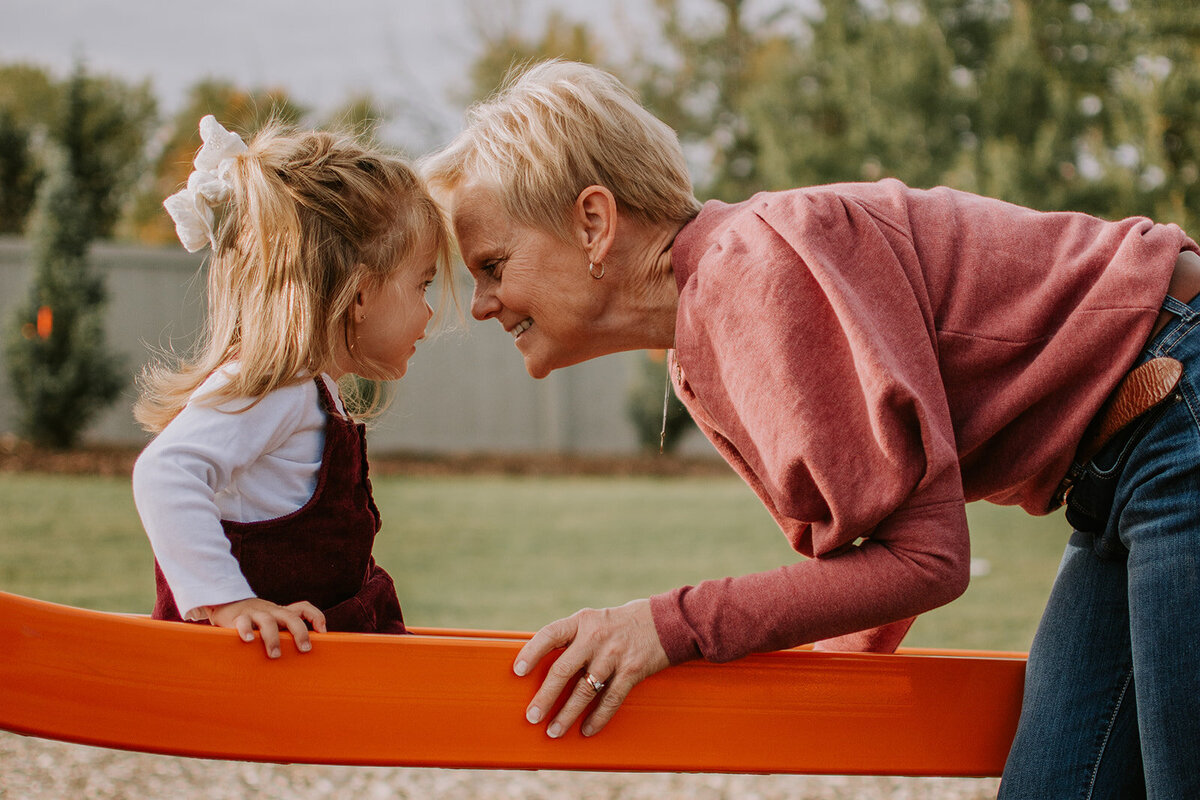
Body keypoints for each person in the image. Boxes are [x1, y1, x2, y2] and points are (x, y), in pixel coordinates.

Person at [419, 60, 1200, 796]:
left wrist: (665, 625)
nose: (484, 303)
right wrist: (824, 702)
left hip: (1175, 403)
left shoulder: (753, 271)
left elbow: (927, 561)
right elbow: (884, 549)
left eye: (492, 265)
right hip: (1123, 462)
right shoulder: (704, 337)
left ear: (593, 222)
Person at [133, 115, 451, 659]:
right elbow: (165, 472)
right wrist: (229, 603)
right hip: (266, 673)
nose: (430, 311)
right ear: (359, 293)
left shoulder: (310, 393)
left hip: (314, 661)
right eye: (422, 283)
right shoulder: (277, 389)